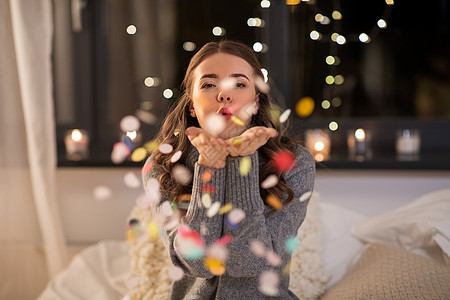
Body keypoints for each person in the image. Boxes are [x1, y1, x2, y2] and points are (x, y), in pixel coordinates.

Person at [139, 40, 315, 299]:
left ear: (256, 101)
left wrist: (242, 162)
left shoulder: (294, 163)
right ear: (191, 104)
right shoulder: (161, 166)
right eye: (209, 84)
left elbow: (250, 262)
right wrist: (209, 167)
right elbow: (197, 263)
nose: (224, 94)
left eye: (239, 83)